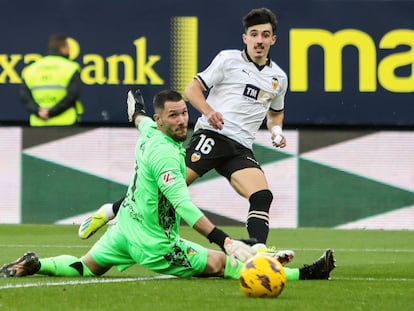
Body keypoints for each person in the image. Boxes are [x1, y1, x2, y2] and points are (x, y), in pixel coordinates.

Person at [1, 89, 335, 281]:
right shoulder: (166, 156)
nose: (182, 120)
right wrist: (225, 241)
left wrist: (137, 107)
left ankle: (36, 264)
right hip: (155, 243)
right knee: (223, 264)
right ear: (162, 121)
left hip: (124, 230)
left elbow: (139, 118)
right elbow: (184, 206)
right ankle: (306, 274)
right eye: (173, 116)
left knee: (86, 267)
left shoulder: (150, 130)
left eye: (183, 113)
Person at [79, 8, 289, 254]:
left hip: (240, 147)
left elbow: (275, 113)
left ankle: (259, 252)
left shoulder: (279, 78)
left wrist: (276, 131)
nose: (259, 40)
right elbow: (191, 90)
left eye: (265, 35)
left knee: (262, 195)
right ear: (245, 38)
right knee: (163, 190)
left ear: (273, 39)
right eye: (254, 34)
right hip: (212, 136)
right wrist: (209, 111)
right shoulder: (228, 60)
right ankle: (110, 211)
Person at [20, 33, 83, 126]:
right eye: (68, 47)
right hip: (66, 122)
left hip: (39, 123)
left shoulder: (32, 68)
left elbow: (25, 96)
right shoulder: (71, 68)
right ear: (63, 48)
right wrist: (51, 112)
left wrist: (39, 112)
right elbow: (72, 96)